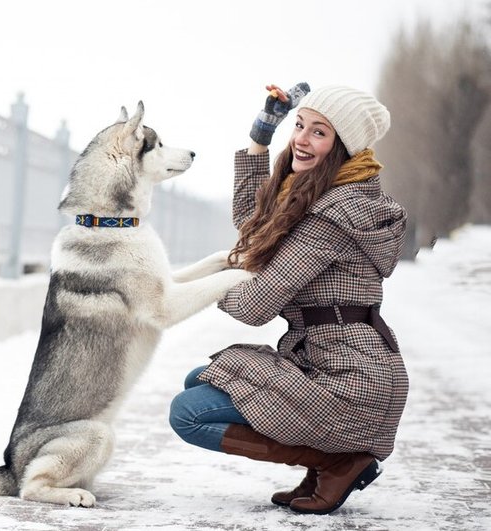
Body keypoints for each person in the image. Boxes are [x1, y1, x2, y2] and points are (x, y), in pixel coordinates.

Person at [168, 83, 409, 515]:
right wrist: (261, 136)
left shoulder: (337, 212)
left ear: (342, 146)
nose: (300, 138)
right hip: (330, 363)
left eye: (319, 131)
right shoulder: (318, 193)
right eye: (300, 125)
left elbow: (253, 306)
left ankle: (338, 460)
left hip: (352, 381)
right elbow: (253, 225)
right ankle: (327, 463)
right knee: (198, 380)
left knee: (188, 412)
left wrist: (208, 285)